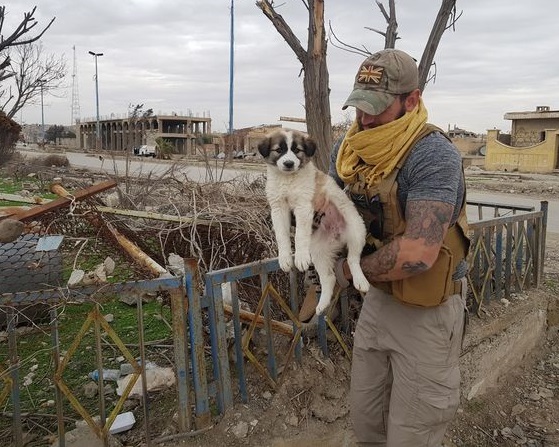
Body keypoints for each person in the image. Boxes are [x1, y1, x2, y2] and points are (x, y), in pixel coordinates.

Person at [330, 49, 470, 446]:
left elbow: (416, 255)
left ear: (412, 101)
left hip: (428, 312)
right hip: (379, 301)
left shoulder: (432, 154)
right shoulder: (351, 149)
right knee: (366, 419)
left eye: (376, 108)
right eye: (359, 106)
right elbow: (329, 205)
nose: (365, 119)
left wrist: (346, 273)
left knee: (413, 433)